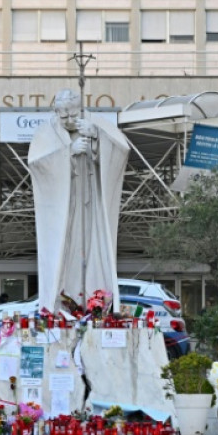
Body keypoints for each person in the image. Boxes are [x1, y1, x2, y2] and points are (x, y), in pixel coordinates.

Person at [28, 88, 130, 314]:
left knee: (95, 247)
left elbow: (123, 151)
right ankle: (64, 304)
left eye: (73, 115)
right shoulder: (46, 133)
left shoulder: (97, 124)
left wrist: (96, 137)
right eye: (62, 116)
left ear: (81, 109)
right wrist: (68, 152)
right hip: (65, 207)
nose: (68, 121)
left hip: (92, 203)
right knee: (67, 250)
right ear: (55, 111)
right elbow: (36, 164)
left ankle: (97, 302)